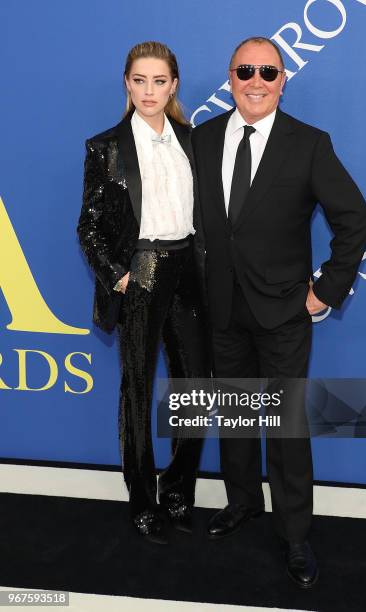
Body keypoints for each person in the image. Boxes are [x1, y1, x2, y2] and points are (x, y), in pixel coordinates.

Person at [192, 36, 366, 587]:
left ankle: (294, 533)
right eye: (245, 70)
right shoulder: (201, 138)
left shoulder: (309, 144)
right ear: (230, 76)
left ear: (283, 79)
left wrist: (325, 292)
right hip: (222, 308)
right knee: (239, 417)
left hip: (284, 313)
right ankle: (243, 501)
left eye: (267, 72)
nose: (255, 81)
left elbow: (355, 218)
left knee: (286, 428)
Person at [77, 41, 210, 545]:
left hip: (188, 269)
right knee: (136, 389)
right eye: (140, 80)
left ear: (174, 85)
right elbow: (88, 227)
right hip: (142, 269)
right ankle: (142, 501)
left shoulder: (194, 141)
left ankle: (177, 490)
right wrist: (119, 273)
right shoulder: (105, 146)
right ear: (127, 84)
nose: (149, 90)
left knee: (196, 384)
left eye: (159, 81)